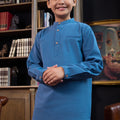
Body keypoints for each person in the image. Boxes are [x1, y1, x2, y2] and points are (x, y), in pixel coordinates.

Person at [27, 0, 103, 120]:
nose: (61, 2)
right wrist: (44, 74)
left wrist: (64, 71)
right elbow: (32, 65)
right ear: (48, 3)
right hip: (44, 105)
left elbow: (96, 64)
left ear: (74, 2)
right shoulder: (41, 35)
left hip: (75, 105)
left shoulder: (84, 30)